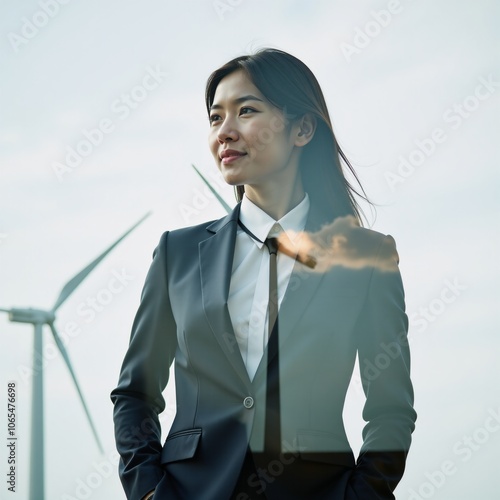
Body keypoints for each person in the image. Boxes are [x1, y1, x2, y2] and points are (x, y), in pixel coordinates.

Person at [111, 48, 417, 500]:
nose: (225, 132)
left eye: (246, 111)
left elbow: (390, 409)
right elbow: (135, 394)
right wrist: (148, 490)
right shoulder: (177, 253)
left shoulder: (368, 258)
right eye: (215, 118)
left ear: (302, 128)